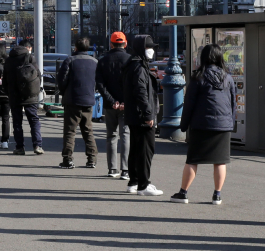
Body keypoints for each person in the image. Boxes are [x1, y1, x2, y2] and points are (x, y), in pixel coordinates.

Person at [171, 43, 237, 204]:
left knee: (193, 160)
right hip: (223, 125)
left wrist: (184, 125)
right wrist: (230, 123)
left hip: (201, 124)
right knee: (220, 161)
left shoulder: (198, 77)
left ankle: (183, 193)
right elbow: (233, 102)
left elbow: (189, 103)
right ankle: (217, 195)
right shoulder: (227, 78)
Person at [122, 35, 162, 196]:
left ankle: (134, 181)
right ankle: (144, 184)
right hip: (142, 115)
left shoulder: (132, 65)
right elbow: (141, 92)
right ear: (142, 49)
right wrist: (148, 114)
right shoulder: (139, 67)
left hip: (133, 114)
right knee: (146, 149)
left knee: (136, 148)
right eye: (149, 47)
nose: (151, 50)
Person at [57, 37, 99, 169]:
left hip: (72, 100)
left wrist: (65, 92)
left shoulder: (69, 60)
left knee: (70, 131)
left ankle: (68, 159)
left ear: (75, 47)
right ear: (88, 48)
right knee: (88, 130)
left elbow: (61, 80)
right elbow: (97, 81)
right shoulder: (95, 62)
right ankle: (92, 159)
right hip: (88, 100)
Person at [97, 32, 132, 179]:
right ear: (125, 43)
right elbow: (133, 84)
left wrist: (112, 101)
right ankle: (125, 170)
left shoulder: (103, 61)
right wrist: (125, 101)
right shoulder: (130, 60)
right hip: (126, 104)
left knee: (111, 135)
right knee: (125, 135)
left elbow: (100, 84)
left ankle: (112, 169)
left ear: (111, 44)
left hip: (110, 105)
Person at [4, 39, 43, 155]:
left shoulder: (9, 59)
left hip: (14, 95)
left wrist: (9, 92)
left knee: (17, 122)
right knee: (33, 120)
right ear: (28, 48)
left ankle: (20, 147)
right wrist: (34, 90)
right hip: (29, 94)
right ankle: (37, 145)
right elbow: (38, 74)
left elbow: (5, 79)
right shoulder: (29, 57)